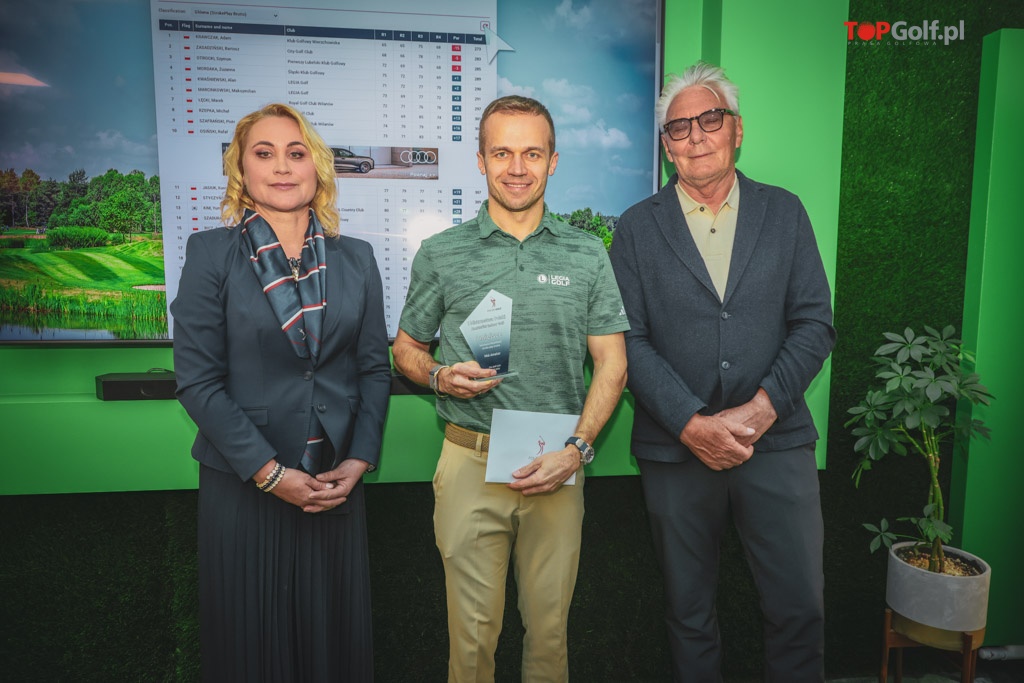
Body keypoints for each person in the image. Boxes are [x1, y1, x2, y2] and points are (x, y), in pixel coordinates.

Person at [609, 63, 836, 682]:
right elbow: (627, 341)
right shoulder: (636, 227)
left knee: (799, 608)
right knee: (688, 612)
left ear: (737, 130)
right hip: (675, 449)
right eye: (679, 127)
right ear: (666, 147)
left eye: (710, 119)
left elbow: (814, 324)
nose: (696, 136)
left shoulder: (784, 212)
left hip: (777, 441)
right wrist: (691, 424)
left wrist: (761, 410)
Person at [391, 95, 629, 682]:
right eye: (502, 153)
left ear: (553, 161)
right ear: (480, 160)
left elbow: (613, 365)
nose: (517, 168)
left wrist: (576, 451)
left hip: (558, 465)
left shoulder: (587, 253)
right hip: (470, 462)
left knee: (549, 637)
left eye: (532, 153)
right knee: (472, 643)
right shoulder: (442, 253)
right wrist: (439, 375)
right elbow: (406, 349)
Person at [171, 103, 390, 682]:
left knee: (332, 644)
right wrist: (270, 474)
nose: (282, 166)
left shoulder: (358, 258)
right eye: (264, 153)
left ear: (317, 167)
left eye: (297, 153)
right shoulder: (209, 253)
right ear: (241, 169)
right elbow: (198, 381)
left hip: (333, 484)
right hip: (245, 484)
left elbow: (373, 369)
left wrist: (360, 459)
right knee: (251, 644)